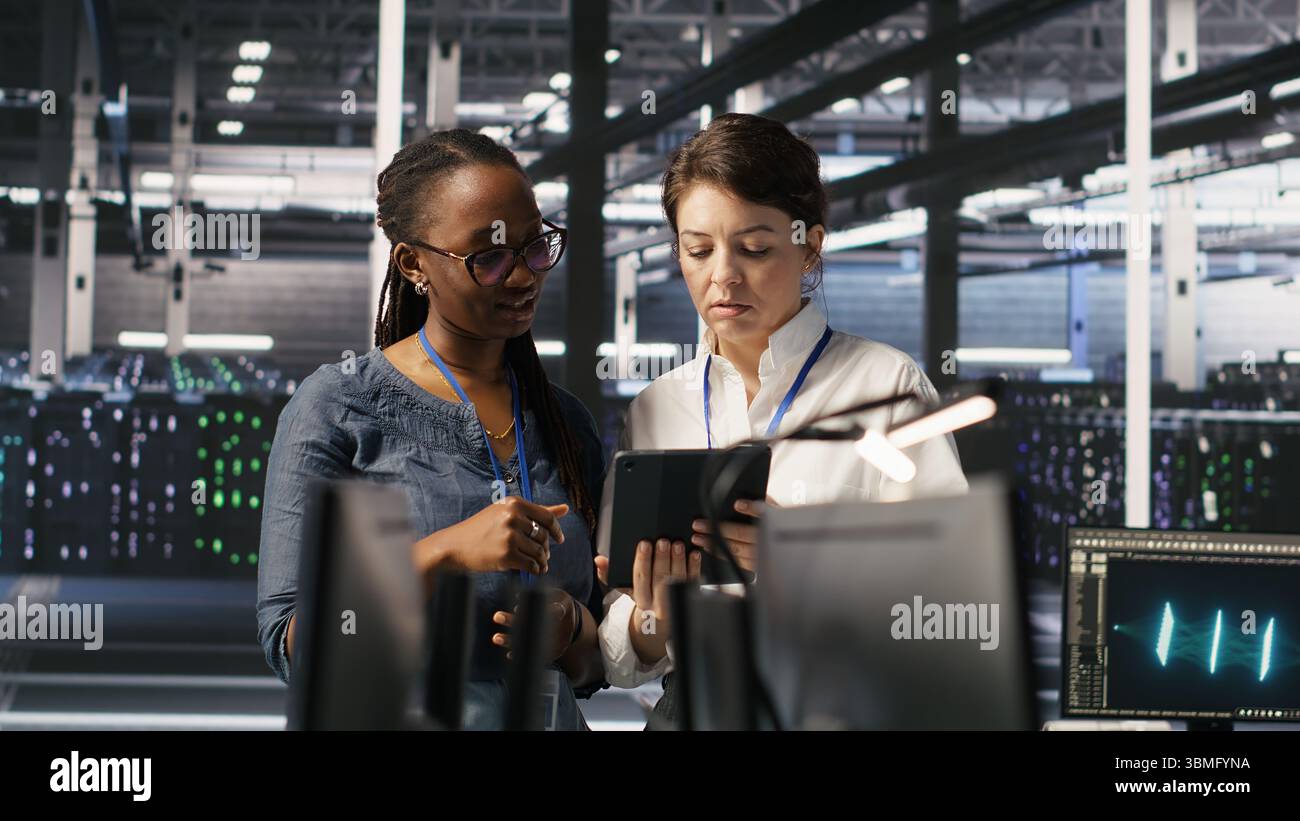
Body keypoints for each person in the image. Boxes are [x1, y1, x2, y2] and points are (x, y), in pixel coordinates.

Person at [596, 113, 969, 721]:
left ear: (810, 244)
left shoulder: (885, 386)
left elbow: (952, 605)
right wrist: (650, 617)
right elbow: (623, 645)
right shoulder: (658, 406)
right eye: (697, 250)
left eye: (755, 248)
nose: (722, 276)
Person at [256, 130, 606, 730]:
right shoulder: (340, 407)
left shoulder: (564, 423)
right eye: (489, 257)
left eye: (535, 246)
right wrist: (440, 553)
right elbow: (292, 646)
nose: (523, 277)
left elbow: (596, 664)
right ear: (414, 263)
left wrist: (573, 628)